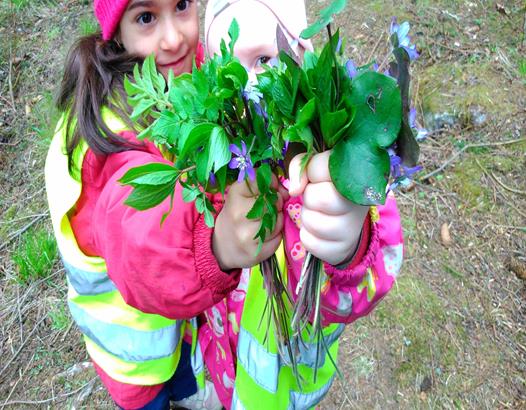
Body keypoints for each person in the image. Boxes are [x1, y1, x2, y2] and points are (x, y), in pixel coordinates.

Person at [44, 0, 404, 409]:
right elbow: (134, 229)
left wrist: (351, 240)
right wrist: (213, 246)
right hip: (147, 359)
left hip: (281, 379)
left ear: (305, 58)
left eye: (181, 5)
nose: (247, 90)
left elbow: (370, 273)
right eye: (145, 17)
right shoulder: (121, 130)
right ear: (115, 32)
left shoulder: (326, 156)